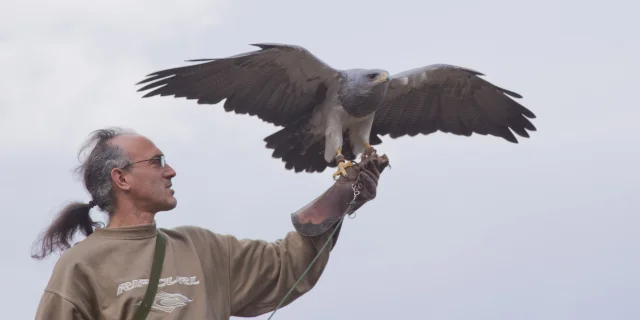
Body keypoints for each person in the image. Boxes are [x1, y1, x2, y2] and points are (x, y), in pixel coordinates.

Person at [32, 127, 388, 319]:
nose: (170, 170)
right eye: (157, 162)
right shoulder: (82, 266)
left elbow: (286, 266)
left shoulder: (201, 248)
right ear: (121, 179)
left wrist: (339, 198)